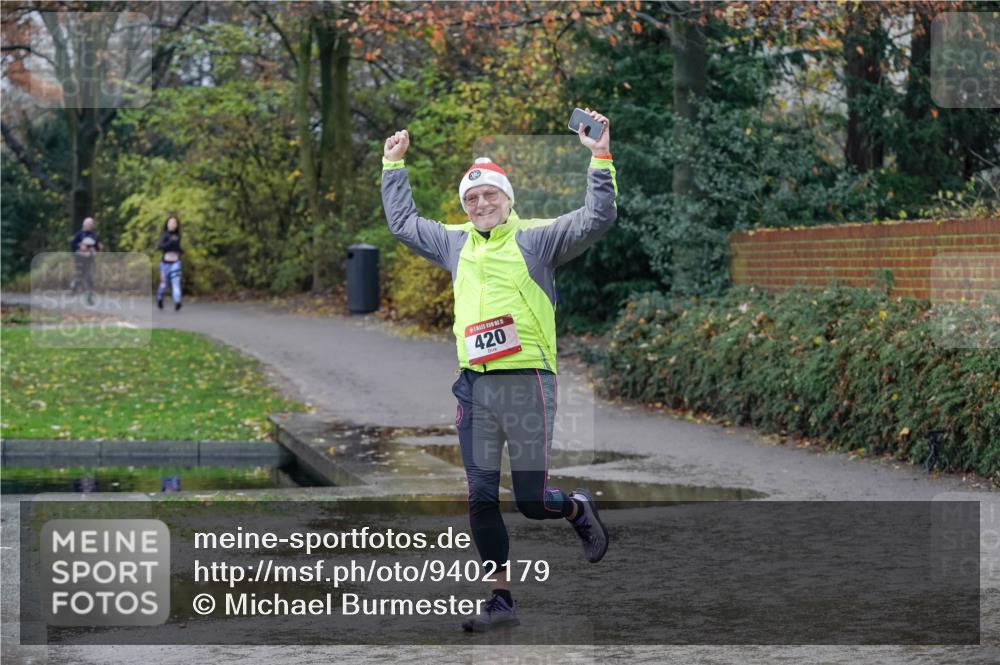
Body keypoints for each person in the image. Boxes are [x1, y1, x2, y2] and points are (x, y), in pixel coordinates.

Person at [381, 108, 617, 632]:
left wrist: (600, 156)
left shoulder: (538, 238)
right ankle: (500, 600)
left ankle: (575, 509)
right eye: (471, 199)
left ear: (508, 199)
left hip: (528, 383)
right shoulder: (455, 242)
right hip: (474, 389)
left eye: (490, 195)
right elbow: (402, 224)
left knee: (531, 502)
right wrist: (393, 166)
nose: (481, 204)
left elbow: (597, 218)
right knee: (481, 495)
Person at [69, 217, 101, 304]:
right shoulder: (79, 234)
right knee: (80, 276)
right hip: (79, 258)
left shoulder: (95, 235)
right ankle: (74, 287)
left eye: (91, 224)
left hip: (90, 259)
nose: (89, 226)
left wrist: (98, 248)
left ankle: (89, 297)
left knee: (89, 277)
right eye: (88, 224)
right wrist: (80, 247)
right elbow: (72, 245)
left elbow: (97, 247)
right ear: (84, 224)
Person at [156, 215, 184, 311]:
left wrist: (181, 251)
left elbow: (178, 247)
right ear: (167, 224)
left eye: (174, 223)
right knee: (164, 284)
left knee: (176, 283)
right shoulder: (164, 235)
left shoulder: (178, 235)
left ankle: (177, 302)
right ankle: (159, 298)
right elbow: (160, 246)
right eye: (171, 222)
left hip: (176, 263)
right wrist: (170, 242)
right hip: (165, 264)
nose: (173, 224)